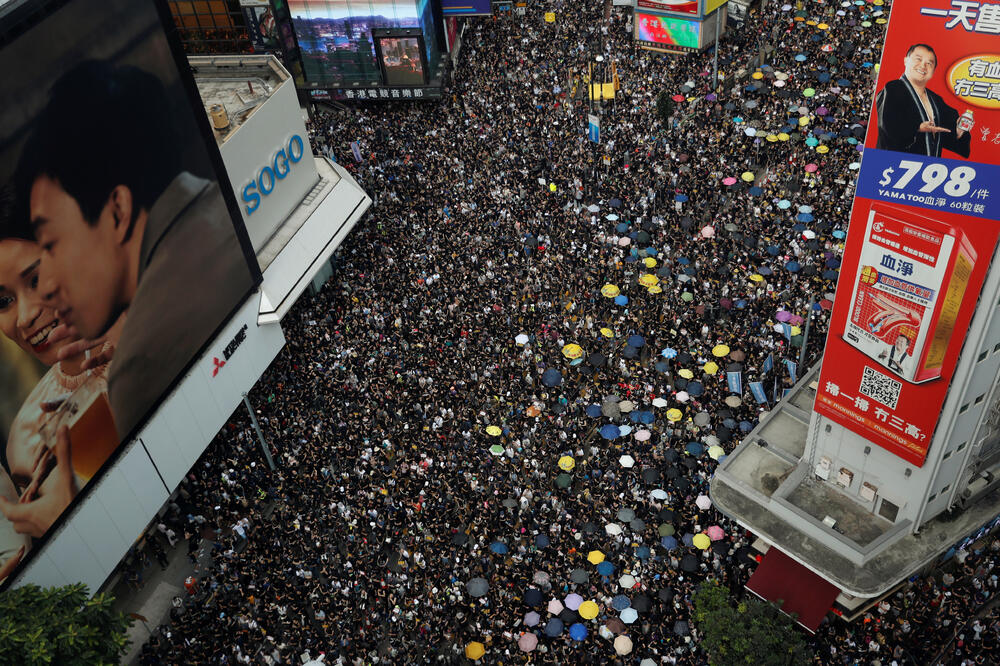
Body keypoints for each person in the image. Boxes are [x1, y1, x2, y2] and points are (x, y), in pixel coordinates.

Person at [14, 59, 253, 442]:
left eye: (52, 244)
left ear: (118, 211)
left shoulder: (138, 368)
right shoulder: (242, 203)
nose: (45, 288)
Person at [875, 43, 972, 158]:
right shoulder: (893, 88)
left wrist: (959, 131)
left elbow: (947, 137)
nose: (923, 66)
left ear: (933, 71)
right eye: (918, 59)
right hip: (894, 164)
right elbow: (888, 127)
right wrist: (918, 128)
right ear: (906, 61)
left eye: (929, 63)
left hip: (928, 169)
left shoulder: (936, 100)